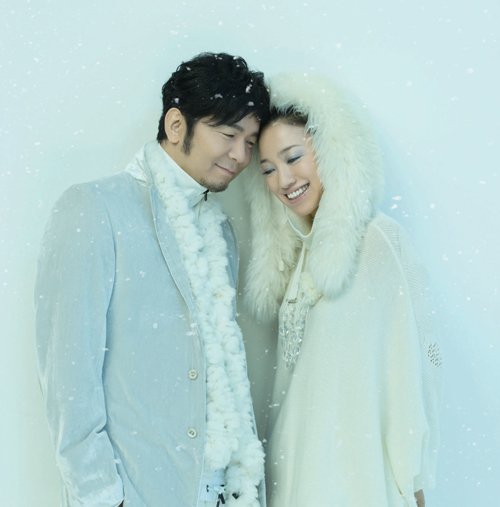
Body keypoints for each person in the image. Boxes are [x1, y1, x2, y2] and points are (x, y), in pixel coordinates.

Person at [34, 52, 270, 507]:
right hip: (139, 492)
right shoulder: (94, 208)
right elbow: (68, 381)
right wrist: (104, 497)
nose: (241, 155)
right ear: (176, 124)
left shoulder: (221, 232)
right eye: (228, 135)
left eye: (250, 142)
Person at [243, 73, 443, 507]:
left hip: (359, 485)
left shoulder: (377, 242)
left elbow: (414, 373)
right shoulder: (300, 261)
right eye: (269, 169)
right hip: (297, 485)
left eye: (293, 157)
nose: (284, 180)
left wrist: (413, 482)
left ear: (331, 150)